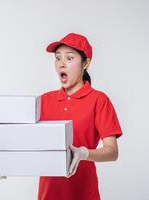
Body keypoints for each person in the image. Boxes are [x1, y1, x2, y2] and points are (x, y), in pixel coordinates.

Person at [37, 33, 123, 200]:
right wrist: (11, 164)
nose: (61, 64)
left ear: (86, 63)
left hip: (84, 193)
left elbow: (112, 152)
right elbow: (31, 144)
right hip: (48, 194)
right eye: (58, 58)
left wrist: (84, 154)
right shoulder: (44, 101)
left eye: (69, 58)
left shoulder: (99, 100)